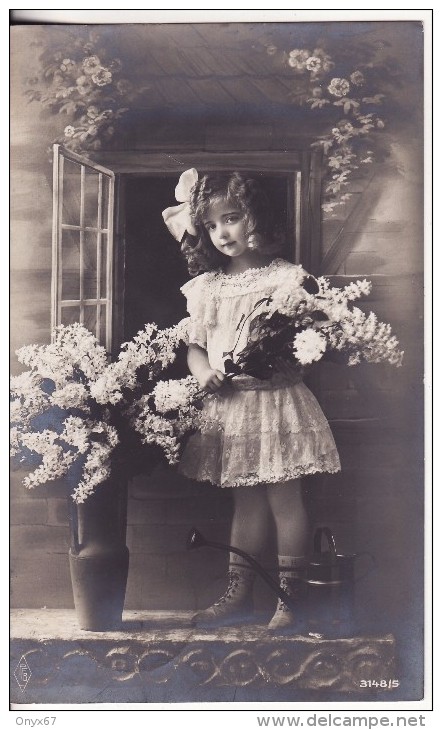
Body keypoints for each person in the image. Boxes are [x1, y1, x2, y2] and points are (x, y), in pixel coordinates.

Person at [162, 170, 341, 630]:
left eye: (233, 218)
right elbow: (196, 345)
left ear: (254, 218)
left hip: (277, 401)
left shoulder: (285, 279)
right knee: (246, 504)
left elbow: (305, 340)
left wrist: (286, 359)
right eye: (213, 224)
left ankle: (290, 596)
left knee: (285, 498)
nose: (223, 232)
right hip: (233, 407)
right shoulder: (207, 287)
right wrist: (204, 373)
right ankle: (239, 593)